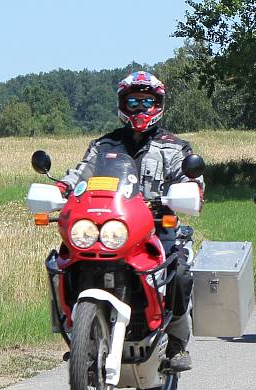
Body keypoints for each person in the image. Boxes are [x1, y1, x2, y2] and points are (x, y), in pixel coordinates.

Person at [59, 70, 201, 372]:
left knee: (179, 273)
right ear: (123, 104)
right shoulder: (104, 145)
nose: (140, 108)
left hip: (155, 225)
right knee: (64, 261)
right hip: (111, 226)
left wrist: (189, 191)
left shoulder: (174, 146)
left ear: (158, 104)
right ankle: (81, 334)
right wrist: (62, 188)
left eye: (147, 101)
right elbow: (80, 172)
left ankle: (176, 343)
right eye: (133, 101)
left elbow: (193, 179)